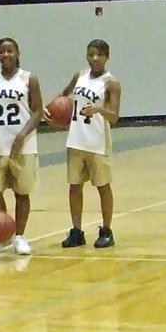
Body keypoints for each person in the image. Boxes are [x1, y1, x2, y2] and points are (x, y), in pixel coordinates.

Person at [0, 37, 43, 255]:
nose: (5, 54)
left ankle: (20, 236)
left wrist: (23, 134)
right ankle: (2, 235)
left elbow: (38, 111)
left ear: (17, 53)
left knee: (21, 193)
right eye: (1, 51)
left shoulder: (28, 79)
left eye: (10, 50)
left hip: (23, 146)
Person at [58, 39, 121, 249]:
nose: (95, 58)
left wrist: (98, 110)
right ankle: (77, 231)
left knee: (103, 187)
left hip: (97, 142)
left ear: (107, 57)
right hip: (76, 139)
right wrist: (52, 111)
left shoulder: (111, 83)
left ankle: (106, 230)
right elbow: (64, 97)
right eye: (91, 54)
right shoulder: (80, 76)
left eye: (99, 55)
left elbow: (114, 117)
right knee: (74, 187)